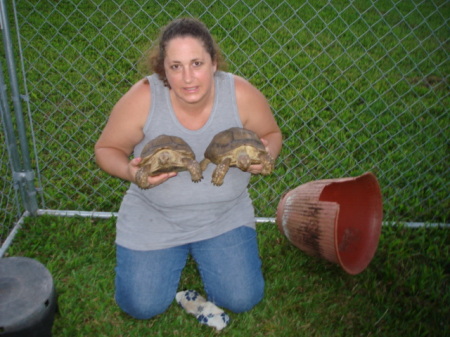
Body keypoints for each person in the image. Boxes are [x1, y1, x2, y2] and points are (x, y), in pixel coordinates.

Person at [94, 17, 282, 320]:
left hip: (224, 216)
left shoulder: (240, 93)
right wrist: (130, 172)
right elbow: (106, 149)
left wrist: (265, 156)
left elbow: (271, 135)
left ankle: (208, 247)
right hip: (156, 216)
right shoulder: (143, 96)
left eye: (197, 63)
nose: (188, 77)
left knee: (243, 297)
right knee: (141, 306)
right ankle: (170, 250)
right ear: (162, 69)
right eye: (176, 66)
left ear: (214, 63)